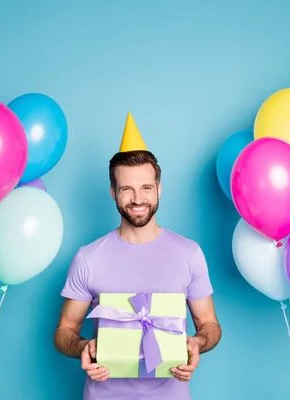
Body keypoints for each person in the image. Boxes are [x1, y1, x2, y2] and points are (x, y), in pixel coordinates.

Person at [54, 112, 221, 400]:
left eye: (146, 187)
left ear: (159, 189)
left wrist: (197, 342)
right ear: (113, 192)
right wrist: (83, 347)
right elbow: (64, 331)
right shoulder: (88, 258)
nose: (138, 199)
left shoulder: (189, 254)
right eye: (126, 189)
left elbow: (209, 324)